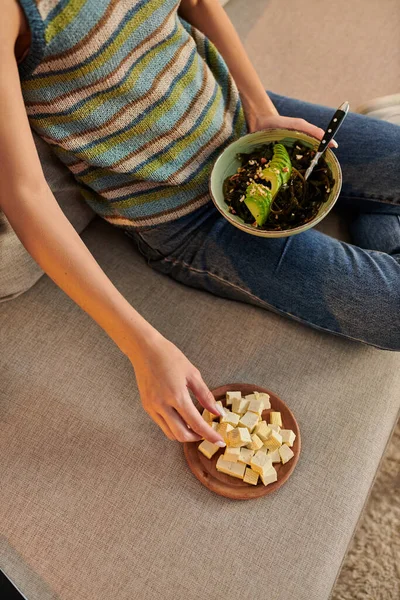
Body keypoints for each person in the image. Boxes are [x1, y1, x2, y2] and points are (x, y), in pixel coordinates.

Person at [1, 1, 399, 446]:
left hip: (242, 123)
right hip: (187, 214)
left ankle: (378, 212)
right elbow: (25, 196)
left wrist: (261, 109)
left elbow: (196, 4)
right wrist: (144, 348)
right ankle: (379, 210)